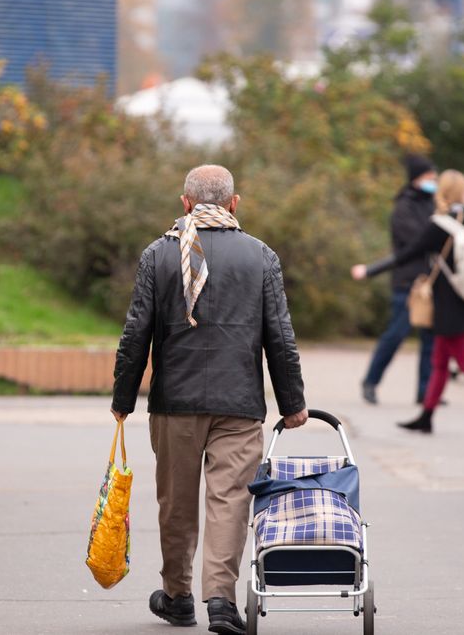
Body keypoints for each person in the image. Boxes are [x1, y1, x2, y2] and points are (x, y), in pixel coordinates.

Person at [110, 165, 308, 634]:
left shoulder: (159, 255)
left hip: (174, 403)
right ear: (234, 204)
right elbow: (280, 335)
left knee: (177, 503)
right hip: (239, 404)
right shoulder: (261, 257)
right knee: (230, 500)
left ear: (185, 204)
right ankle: (220, 600)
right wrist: (292, 401)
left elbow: (136, 332)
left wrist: (123, 397)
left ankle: (178, 597)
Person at [372, 170, 464, 436]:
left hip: (449, 304)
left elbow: (408, 253)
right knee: (440, 361)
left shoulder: (439, 224)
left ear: (442, 192)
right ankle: (427, 415)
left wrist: (370, 270)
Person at [351, 154, 439, 406]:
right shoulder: (404, 207)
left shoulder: (431, 203)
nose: (433, 181)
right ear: (417, 179)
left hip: (430, 282)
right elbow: (417, 244)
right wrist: (371, 270)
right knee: (396, 334)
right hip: (407, 281)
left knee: (429, 340)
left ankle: (426, 391)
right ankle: (370, 381)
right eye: (429, 178)